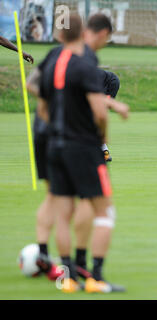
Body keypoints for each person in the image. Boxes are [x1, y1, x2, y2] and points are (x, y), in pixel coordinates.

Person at [26, 14, 128, 284]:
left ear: (59, 35)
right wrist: (100, 137)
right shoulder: (84, 63)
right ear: (86, 32)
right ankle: (91, 273)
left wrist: (56, 121)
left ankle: (62, 269)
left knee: (60, 207)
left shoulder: (53, 58)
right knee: (98, 207)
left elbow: (37, 96)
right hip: (82, 144)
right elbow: (98, 112)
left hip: (52, 141)